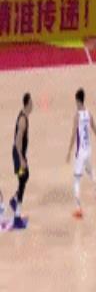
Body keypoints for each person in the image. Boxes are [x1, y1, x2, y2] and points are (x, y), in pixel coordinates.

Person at [66, 88, 96, 219]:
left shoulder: (77, 116)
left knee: (76, 180)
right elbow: (95, 128)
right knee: (90, 171)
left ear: (78, 101)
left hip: (80, 152)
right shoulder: (88, 114)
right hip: (88, 150)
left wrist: (69, 151)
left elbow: (73, 135)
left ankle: (78, 209)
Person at [8, 93, 33, 229]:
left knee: (25, 177)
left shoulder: (25, 117)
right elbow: (18, 141)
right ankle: (17, 217)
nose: (32, 106)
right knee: (23, 180)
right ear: (27, 104)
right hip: (18, 155)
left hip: (20, 154)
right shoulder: (23, 120)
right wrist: (21, 158)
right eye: (31, 103)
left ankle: (14, 200)